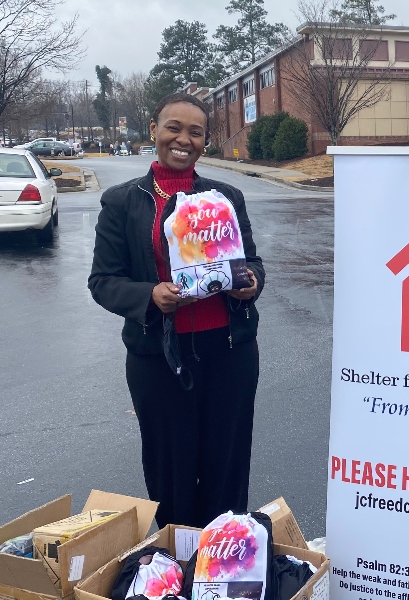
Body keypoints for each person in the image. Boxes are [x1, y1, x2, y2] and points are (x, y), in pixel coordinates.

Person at [88, 92, 265, 529]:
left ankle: (222, 569)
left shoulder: (225, 197)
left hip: (229, 351)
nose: (184, 139)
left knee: (226, 466)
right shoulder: (122, 201)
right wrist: (150, 295)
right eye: (174, 127)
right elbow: (103, 281)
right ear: (154, 129)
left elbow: (252, 263)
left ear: (205, 140)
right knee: (171, 471)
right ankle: (177, 566)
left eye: (196, 132)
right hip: (159, 357)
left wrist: (251, 284)